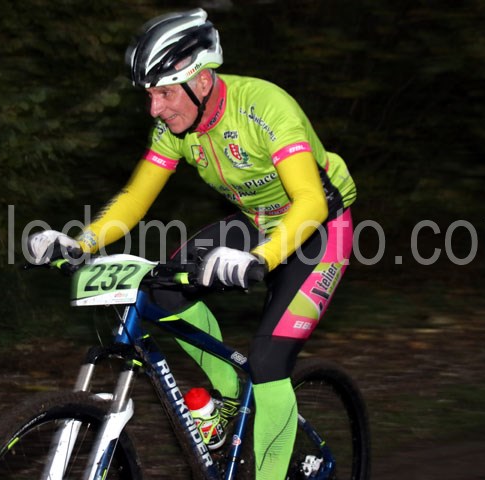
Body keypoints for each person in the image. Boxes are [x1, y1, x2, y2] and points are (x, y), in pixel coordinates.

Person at [29, 8, 356, 479]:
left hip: (319, 228)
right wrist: (81, 244)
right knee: (162, 293)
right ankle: (229, 399)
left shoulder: (264, 107)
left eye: (164, 93)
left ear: (202, 81)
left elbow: (309, 200)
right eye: (149, 95)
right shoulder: (175, 129)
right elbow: (135, 198)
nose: (155, 109)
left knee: (268, 361)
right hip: (259, 221)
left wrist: (259, 258)